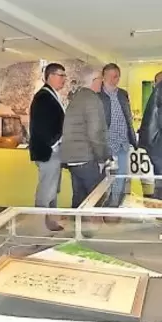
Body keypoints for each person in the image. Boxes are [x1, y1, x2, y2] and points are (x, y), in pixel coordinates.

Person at [61, 68, 110, 208]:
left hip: (72, 158)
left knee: (79, 199)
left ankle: (78, 228)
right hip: (87, 157)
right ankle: (95, 228)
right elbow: (95, 132)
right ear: (94, 81)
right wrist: (102, 158)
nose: (102, 81)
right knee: (97, 198)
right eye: (101, 79)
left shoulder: (76, 98)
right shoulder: (92, 99)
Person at [29, 62, 67, 231]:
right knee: (46, 189)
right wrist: (55, 143)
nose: (64, 79)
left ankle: (50, 222)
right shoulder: (43, 97)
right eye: (61, 75)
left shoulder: (51, 95)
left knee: (52, 188)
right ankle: (39, 226)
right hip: (48, 151)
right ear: (50, 76)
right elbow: (42, 126)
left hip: (52, 151)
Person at [98, 63, 137, 176]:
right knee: (105, 180)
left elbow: (127, 117)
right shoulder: (97, 95)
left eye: (115, 76)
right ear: (103, 77)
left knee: (121, 178)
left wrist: (132, 139)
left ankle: (118, 194)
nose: (113, 79)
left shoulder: (123, 94)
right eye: (109, 76)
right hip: (106, 144)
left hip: (123, 144)